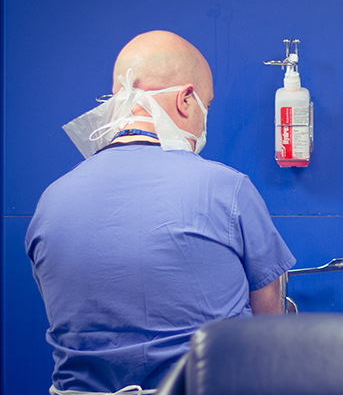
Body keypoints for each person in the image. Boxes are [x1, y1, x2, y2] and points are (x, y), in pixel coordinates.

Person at [25, 31, 296, 394]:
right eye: (207, 105)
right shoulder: (227, 190)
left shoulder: (51, 202)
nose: (204, 119)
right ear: (186, 100)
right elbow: (268, 336)